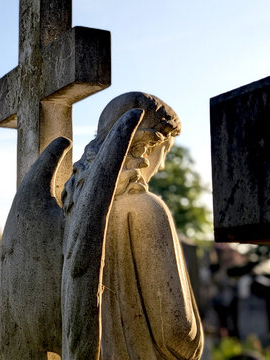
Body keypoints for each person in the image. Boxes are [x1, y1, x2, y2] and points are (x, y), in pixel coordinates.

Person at [63, 92, 203, 359]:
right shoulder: (147, 209)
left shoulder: (73, 209)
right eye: (166, 152)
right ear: (148, 148)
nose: (161, 167)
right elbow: (176, 332)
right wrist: (195, 342)